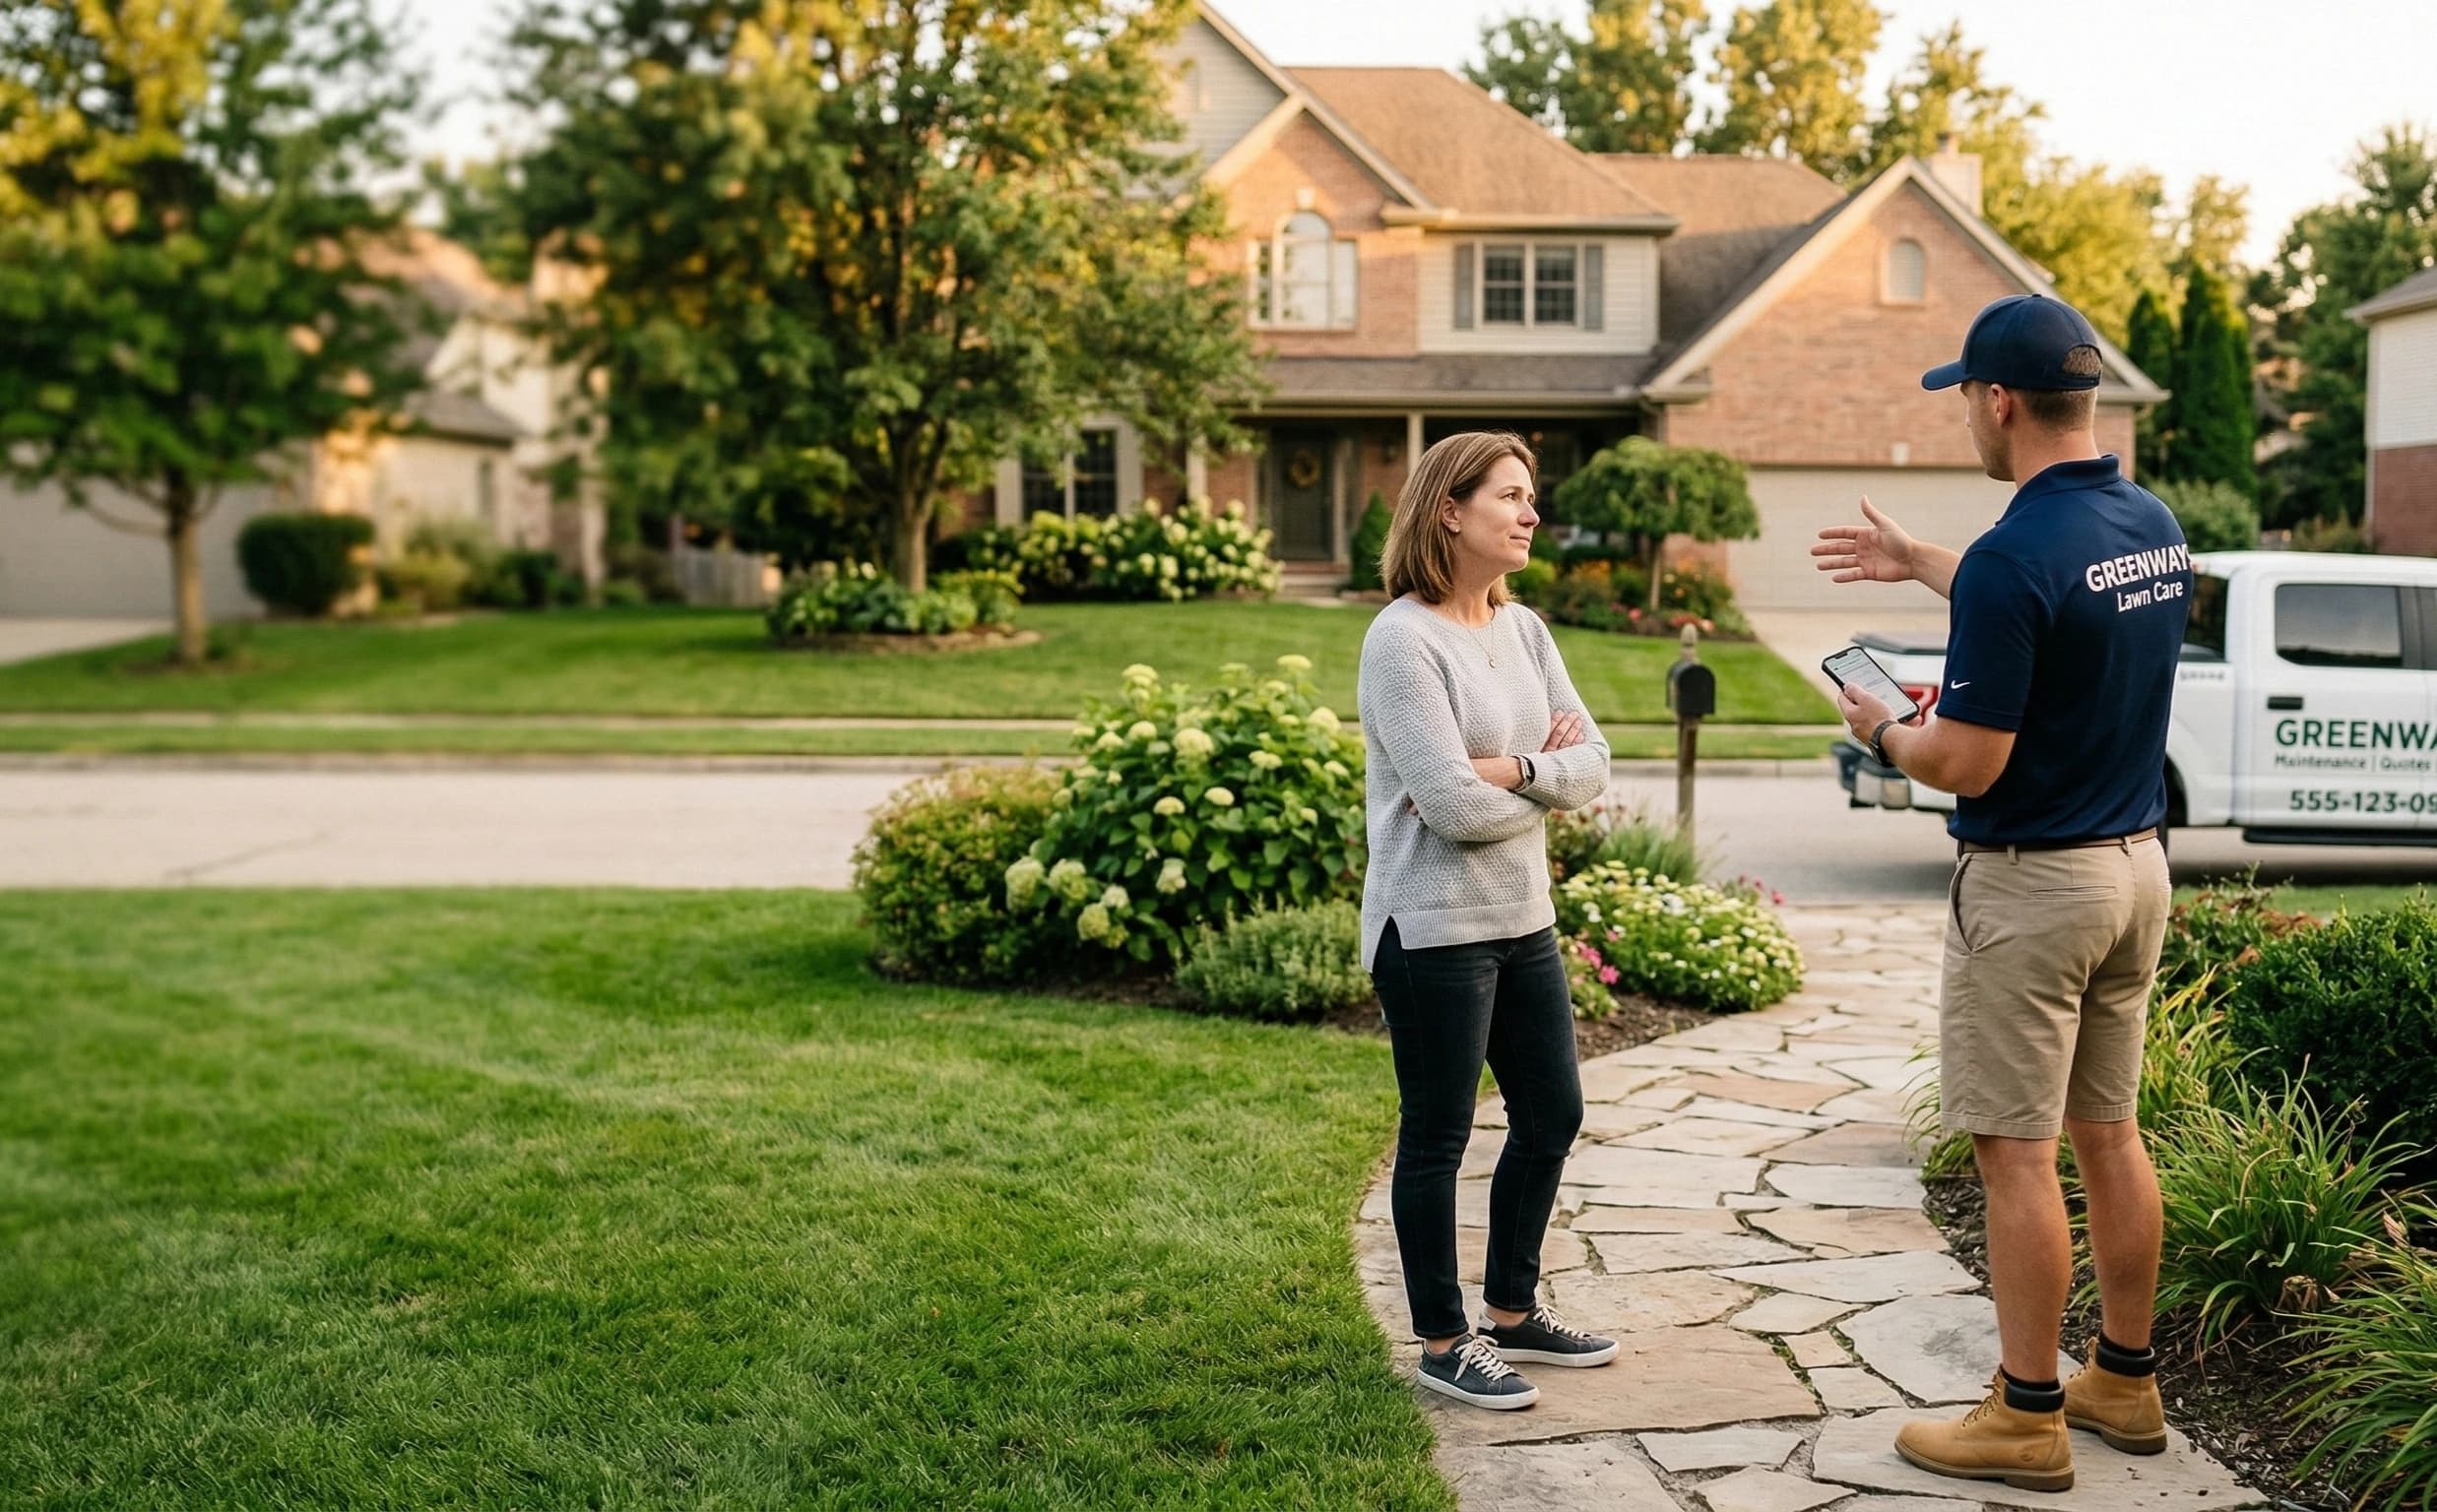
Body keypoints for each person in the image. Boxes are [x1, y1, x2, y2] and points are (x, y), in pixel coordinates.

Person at [1813, 293, 2191, 1493]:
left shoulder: (2019, 554)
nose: (1964, 417)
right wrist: (1924, 560)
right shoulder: (2149, 522)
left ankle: (2027, 1414)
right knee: (2109, 1132)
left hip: (2035, 892)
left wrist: (1886, 732)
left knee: (2017, 1155)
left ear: (2000, 401)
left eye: (1965, 396)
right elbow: (2048, 605)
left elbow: (1966, 759)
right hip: (2136, 871)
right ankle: (2122, 1384)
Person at [1355, 430, 1619, 1411]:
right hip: (1430, 932)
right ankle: (1442, 1339)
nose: (1530, 512)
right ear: (1449, 512)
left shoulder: (1525, 629)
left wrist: (1512, 771)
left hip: (1523, 917)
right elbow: (1451, 816)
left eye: (1530, 495)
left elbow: (1592, 763)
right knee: (1438, 1136)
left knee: (1554, 1113)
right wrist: (1537, 782)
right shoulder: (1402, 641)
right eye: (1509, 495)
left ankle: (1512, 1311)